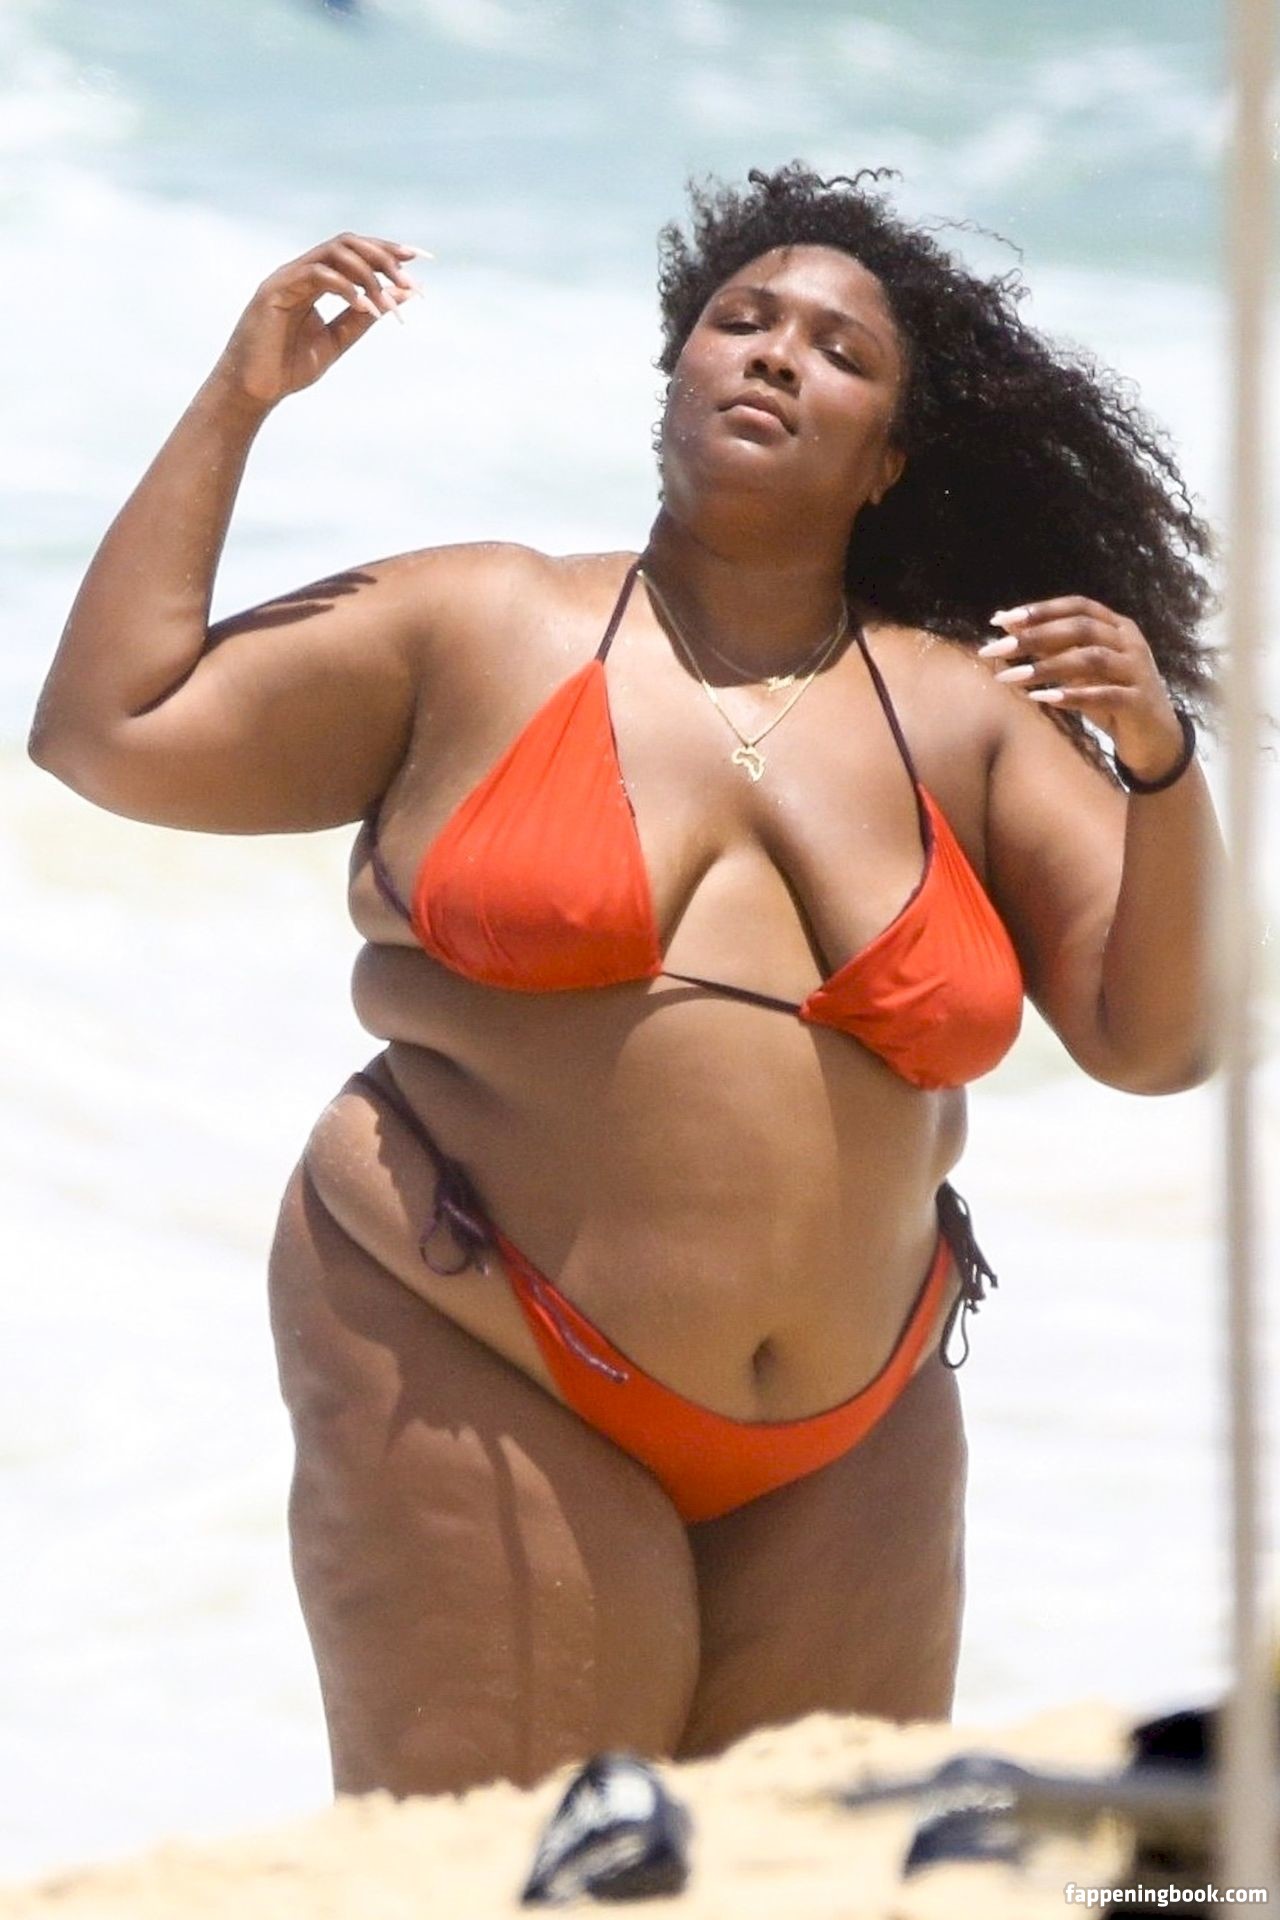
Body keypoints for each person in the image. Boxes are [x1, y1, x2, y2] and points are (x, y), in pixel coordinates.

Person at [28, 162, 1222, 1801]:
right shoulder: (484, 622)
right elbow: (108, 734)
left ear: (887, 460)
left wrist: (1160, 761)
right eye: (743, 321)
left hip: (857, 1424)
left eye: (840, 351)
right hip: (475, 1338)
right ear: (673, 374)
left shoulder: (966, 714)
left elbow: (1165, 1043)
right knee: (506, 1876)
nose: (777, 353)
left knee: (811, 1877)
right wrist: (240, 402)